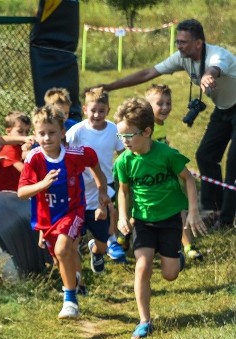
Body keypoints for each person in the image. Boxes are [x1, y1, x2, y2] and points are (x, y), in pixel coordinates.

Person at [96, 19, 236, 228]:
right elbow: (147, 73)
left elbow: (215, 68)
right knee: (205, 155)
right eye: (177, 41)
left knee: (234, 163)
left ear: (198, 43)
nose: (178, 46)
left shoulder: (218, 55)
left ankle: (226, 219)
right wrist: (109, 86)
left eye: (183, 42)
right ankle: (212, 209)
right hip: (224, 109)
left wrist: (208, 75)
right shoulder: (182, 58)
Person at [113, 98, 206, 339]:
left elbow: (188, 179)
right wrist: (123, 215)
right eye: (120, 136)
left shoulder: (166, 155)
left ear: (146, 132)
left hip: (170, 219)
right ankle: (144, 321)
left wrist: (193, 210)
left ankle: (177, 259)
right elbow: (123, 191)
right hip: (143, 221)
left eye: (129, 136)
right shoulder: (124, 161)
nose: (124, 142)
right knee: (142, 267)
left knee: (169, 274)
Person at [18, 106, 109, 320]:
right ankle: (74, 281)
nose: (47, 138)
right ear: (35, 134)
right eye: (42, 133)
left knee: (62, 249)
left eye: (52, 133)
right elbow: (22, 192)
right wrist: (42, 184)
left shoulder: (76, 155)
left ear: (62, 134)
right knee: (60, 259)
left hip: (73, 211)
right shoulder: (34, 158)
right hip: (46, 219)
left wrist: (102, 192)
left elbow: (95, 164)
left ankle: (70, 301)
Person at [65, 88, 126, 276]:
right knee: (75, 237)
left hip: (105, 185)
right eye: (93, 110)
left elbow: (122, 152)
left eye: (101, 110)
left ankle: (97, 249)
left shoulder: (113, 129)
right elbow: (64, 153)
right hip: (79, 187)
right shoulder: (76, 131)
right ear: (84, 109)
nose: (97, 114)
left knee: (103, 236)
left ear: (108, 110)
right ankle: (76, 279)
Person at [144, 84, 203, 261]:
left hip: (168, 177)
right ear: (147, 106)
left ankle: (188, 246)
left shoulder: (160, 124)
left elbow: (162, 147)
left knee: (179, 209)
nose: (165, 107)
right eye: (159, 103)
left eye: (168, 103)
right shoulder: (146, 125)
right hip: (150, 179)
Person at [0, 111, 32, 192]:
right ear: (8, 131)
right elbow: (24, 170)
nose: (24, 135)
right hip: (4, 192)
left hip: (16, 190)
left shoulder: (20, 146)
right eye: (20, 131)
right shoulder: (9, 148)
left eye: (27, 132)